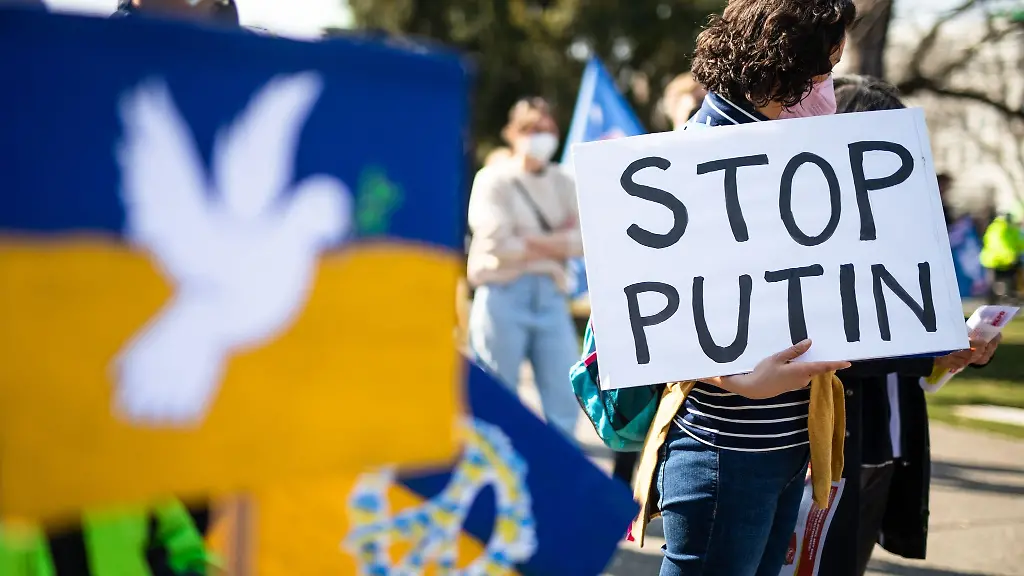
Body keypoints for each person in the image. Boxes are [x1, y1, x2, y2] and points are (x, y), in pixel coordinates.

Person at [578, 2, 859, 574]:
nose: (831, 88)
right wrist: (737, 379)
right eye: (825, 70)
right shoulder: (684, 163)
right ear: (786, 69)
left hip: (784, 444)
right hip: (724, 450)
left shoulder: (785, 155)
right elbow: (648, 318)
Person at [805, 74, 1004, 576]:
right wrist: (929, 352)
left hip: (891, 452)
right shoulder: (811, 242)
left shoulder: (907, 233)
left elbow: (918, 328)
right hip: (834, 459)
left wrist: (965, 343)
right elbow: (832, 350)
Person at [466, 97, 583, 439]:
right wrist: (554, 242)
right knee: (497, 399)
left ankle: (559, 485)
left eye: (548, 129)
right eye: (532, 129)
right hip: (502, 293)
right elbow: (493, 242)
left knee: (564, 400)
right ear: (513, 133)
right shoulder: (492, 179)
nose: (542, 136)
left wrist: (525, 238)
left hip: (551, 295)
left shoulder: (565, 182)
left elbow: (583, 242)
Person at [612, 73, 708, 487]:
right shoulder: (643, 164)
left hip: (691, 306)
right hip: (651, 309)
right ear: (671, 108)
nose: (696, 107)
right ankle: (621, 489)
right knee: (636, 408)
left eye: (702, 100)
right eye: (688, 102)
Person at [980, 212, 1023, 303]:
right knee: (992, 282)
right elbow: (999, 245)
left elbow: (1020, 242)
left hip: (1007, 260)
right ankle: (991, 300)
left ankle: (1010, 297)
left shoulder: (1012, 229)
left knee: (1011, 280)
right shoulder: (997, 229)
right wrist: (1011, 256)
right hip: (994, 260)